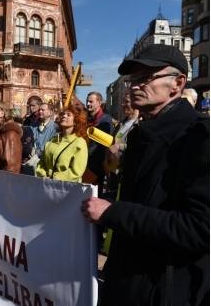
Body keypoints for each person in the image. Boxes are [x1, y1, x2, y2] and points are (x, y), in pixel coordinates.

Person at [82, 44, 209, 306]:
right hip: (124, 283)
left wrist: (111, 212)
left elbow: (198, 229)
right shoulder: (141, 135)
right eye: (132, 80)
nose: (134, 86)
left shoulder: (198, 138)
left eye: (146, 77)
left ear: (177, 83)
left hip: (165, 290)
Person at [36, 104, 88, 182]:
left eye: (68, 115)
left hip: (66, 189)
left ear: (76, 121)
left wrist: (55, 178)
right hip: (46, 186)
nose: (64, 116)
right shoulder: (52, 140)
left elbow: (76, 172)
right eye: (63, 114)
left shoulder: (79, 143)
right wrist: (43, 175)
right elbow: (41, 163)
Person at [84, 91, 113, 188]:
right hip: (86, 164)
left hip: (95, 168)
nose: (88, 104)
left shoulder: (105, 120)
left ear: (99, 103)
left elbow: (100, 146)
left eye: (91, 102)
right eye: (87, 101)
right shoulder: (88, 119)